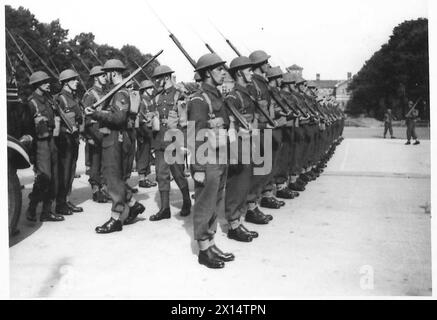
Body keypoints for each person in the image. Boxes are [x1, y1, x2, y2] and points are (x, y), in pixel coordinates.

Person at [85, 59, 145, 233]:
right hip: (113, 139)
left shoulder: (120, 94)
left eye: (107, 73)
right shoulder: (117, 91)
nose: (105, 76)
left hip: (115, 139)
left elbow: (118, 119)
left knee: (112, 180)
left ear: (114, 73)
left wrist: (96, 114)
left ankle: (116, 218)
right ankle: (133, 205)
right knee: (115, 178)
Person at [187, 53, 235, 268]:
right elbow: (192, 134)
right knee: (205, 204)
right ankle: (204, 250)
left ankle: (212, 243)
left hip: (221, 155)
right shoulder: (198, 100)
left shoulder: (217, 96)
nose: (223, 72)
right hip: (207, 159)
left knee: (216, 202)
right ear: (207, 73)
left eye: (223, 69)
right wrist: (197, 167)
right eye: (219, 69)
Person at [224, 56, 261, 242]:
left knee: (244, 183)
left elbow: (252, 119)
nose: (252, 73)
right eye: (249, 70)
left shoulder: (246, 94)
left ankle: (238, 220)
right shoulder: (233, 97)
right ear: (239, 73)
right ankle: (232, 224)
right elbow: (230, 127)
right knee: (236, 184)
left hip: (248, 143)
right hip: (237, 146)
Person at [148, 65, 191, 221]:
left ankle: (187, 202)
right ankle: (165, 208)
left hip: (175, 140)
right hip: (160, 140)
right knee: (161, 175)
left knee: (179, 174)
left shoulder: (179, 96)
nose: (156, 82)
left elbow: (184, 122)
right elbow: (153, 116)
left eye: (157, 79)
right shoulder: (157, 97)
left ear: (166, 77)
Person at [25, 71, 64, 222]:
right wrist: (32, 153)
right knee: (44, 178)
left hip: (52, 142)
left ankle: (46, 212)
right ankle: (32, 206)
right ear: (37, 84)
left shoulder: (48, 101)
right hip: (40, 144)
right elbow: (28, 129)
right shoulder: (31, 103)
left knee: (54, 177)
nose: (48, 83)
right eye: (45, 82)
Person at [54, 69, 84, 216]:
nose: (76, 81)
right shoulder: (60, 99)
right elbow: (55, 122)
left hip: (74, 139)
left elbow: (79, 118)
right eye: (73, 79)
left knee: (71, 171)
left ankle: (66, 199)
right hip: (64, 140)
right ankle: (60, 203)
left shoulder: (74, 98)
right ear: (65, 82)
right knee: (64, 172)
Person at [82, 66, 109, 203]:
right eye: (103, 75)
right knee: (95, 164)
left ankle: (104, 189)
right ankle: (96, 190)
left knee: (104, 163)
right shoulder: (90, 95)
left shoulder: (106, 93)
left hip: (104, 132)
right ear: (96, 78)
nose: (106, 77)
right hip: (93, 133)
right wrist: (88, 137)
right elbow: (84, 119)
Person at [136, 80, 158, 188]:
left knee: (147, 154)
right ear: (145, 90)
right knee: (143, 154)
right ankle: (141, 179)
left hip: (150, 130)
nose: (152, 90)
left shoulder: (150, 100)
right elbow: (139, 118)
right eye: (150, 88)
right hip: (143, 130)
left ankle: (146, 177)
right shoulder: (141, 101)